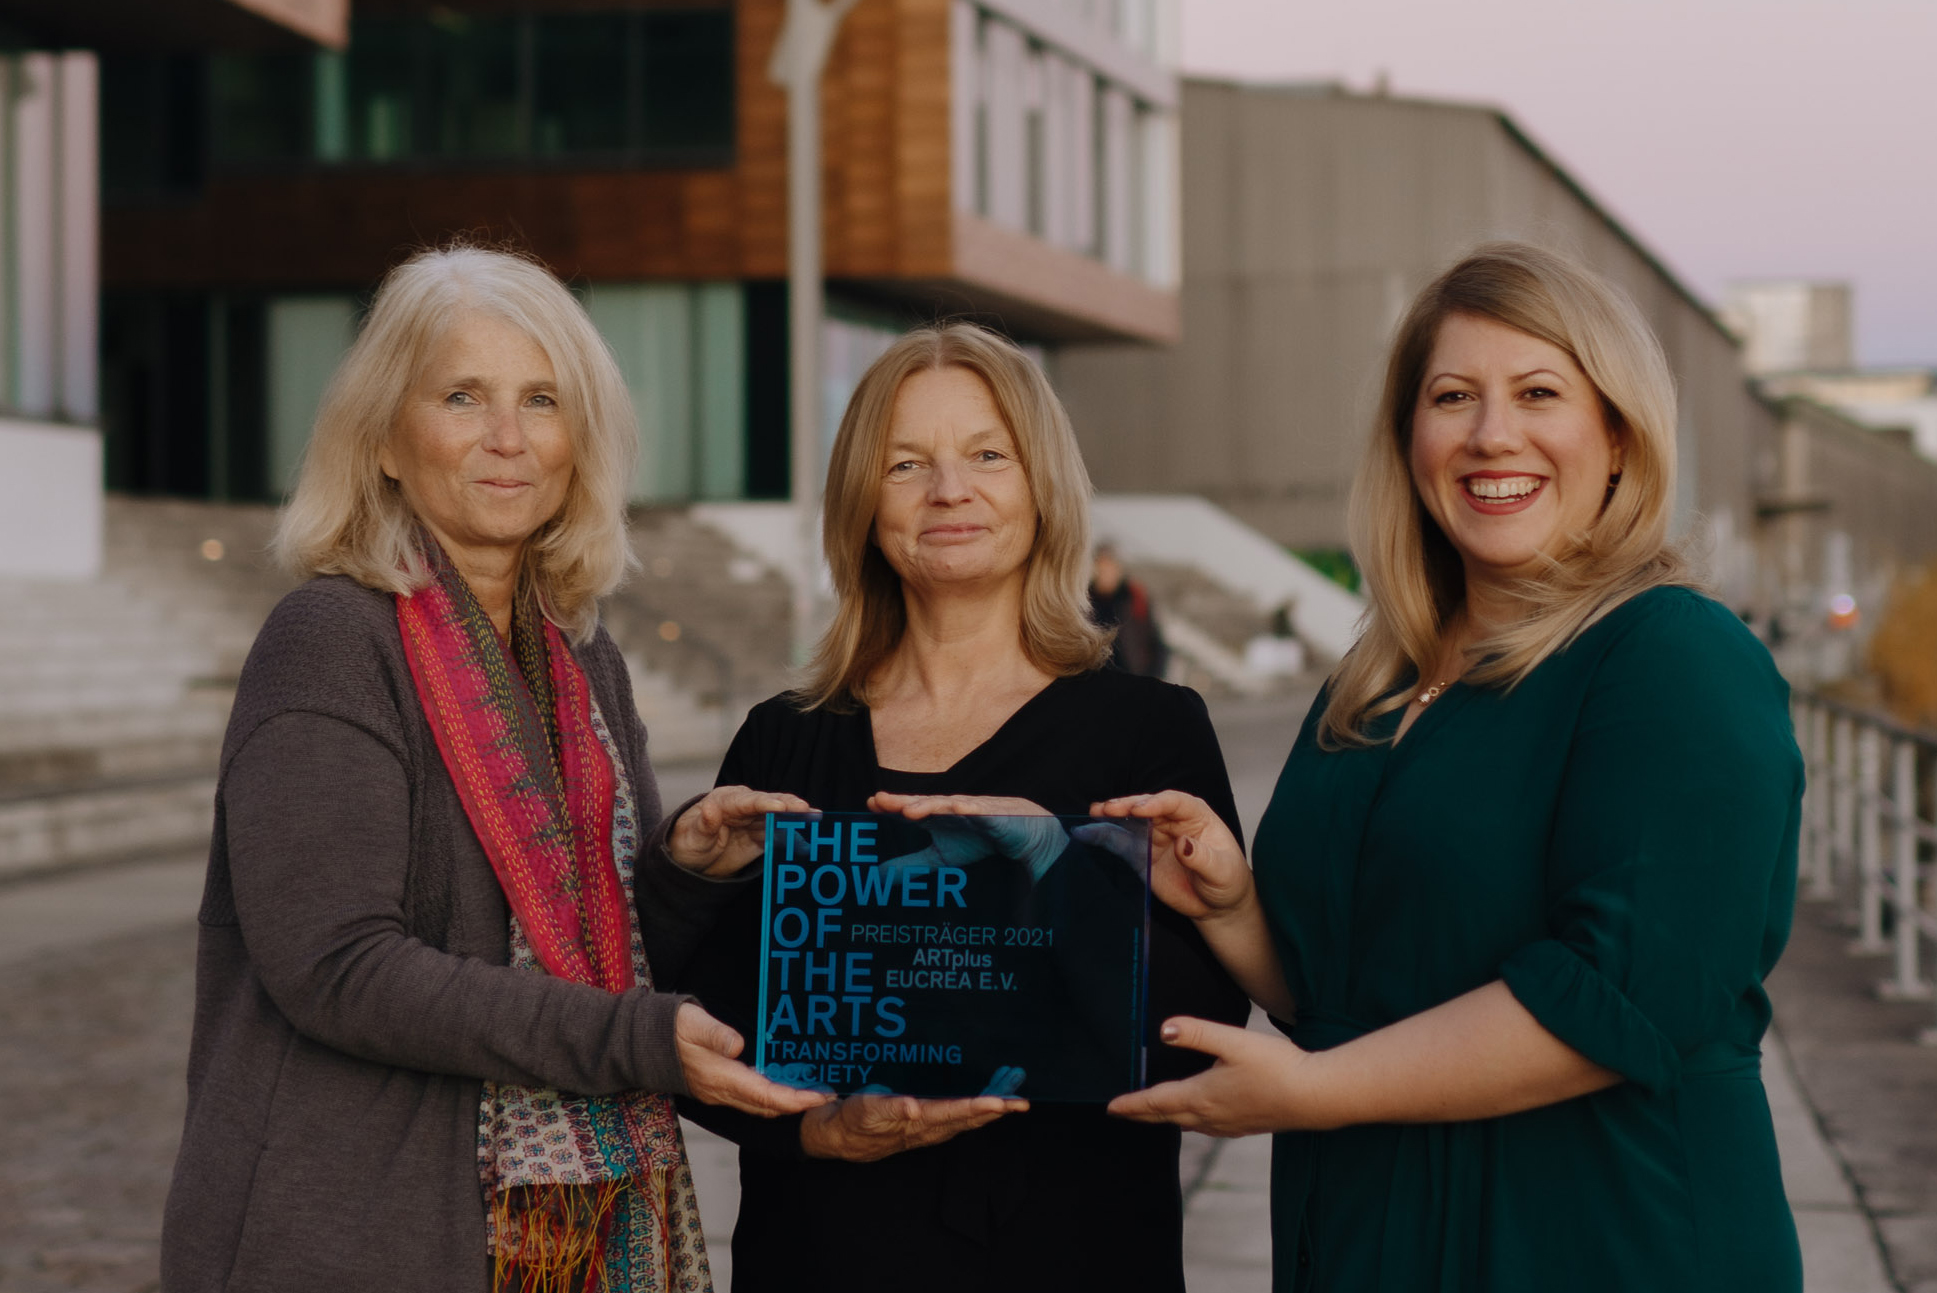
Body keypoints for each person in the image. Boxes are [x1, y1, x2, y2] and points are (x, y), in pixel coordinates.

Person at [1097, 242, 1804, 1292]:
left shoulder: (1671, 655)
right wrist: (1230, 905)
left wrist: (1317, 1093)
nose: (1488, 434)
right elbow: (1349, 986)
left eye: (1536, 393)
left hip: (1596, 1234)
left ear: (1614, 435)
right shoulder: (1376, 684)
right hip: (1372, 1231)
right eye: (1451, 396)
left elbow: (1624, 994)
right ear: (1407, 438)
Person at [159, 245, 826, 1293]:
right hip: (362, 1231)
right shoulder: (330, 637)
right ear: (383, 437)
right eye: (462, 397)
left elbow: (612, 941)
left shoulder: (579, 649)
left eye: (541, 400)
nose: (508, 438)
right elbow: (337, 968)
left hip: (582, 1229)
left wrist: (687, 861)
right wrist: (636, 1042)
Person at [673, 322, 1250, 1292]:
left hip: (1071, 1244)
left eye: (987, 454)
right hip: (827, 1246)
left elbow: (1198, 1026)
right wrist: (814, 1133)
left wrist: (1056, 878)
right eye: (907, 464)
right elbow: (704, 1021)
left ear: (1041, 486)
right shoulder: (786, 738)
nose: (950, 491)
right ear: (862, 498)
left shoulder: (1148, 729)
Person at [1089, 540, 1170, 676]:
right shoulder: (1085, 599)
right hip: (1095, 679)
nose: (1105, 572)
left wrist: (1152, 679)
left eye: (1109, 566)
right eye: (1101, 566)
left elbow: (1157, 644)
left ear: (1118, 568)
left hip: (1132, 677)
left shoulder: (1135, 597)